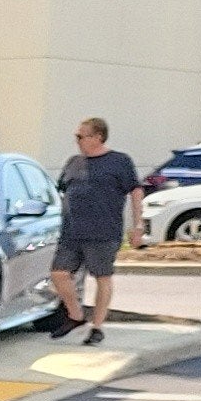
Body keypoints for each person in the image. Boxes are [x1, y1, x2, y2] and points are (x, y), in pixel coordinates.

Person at [48, 116, 147, 344]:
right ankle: (75, 315)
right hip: (71, 231)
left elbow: (136, 191)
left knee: (102, 277)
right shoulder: (74, 162)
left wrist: (138, 225)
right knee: (59, 274)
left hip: (104, 231)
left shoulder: (119, 161)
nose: (77, 140)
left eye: (81, 136)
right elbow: (61, 192)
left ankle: (97, 326)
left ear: (97, 137)